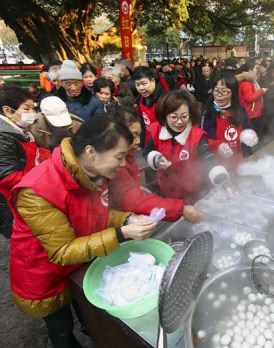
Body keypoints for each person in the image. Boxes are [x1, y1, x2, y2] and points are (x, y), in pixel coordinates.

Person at [9, 116, 158, 348]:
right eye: (119, 157)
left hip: (78, 263)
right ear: (91, 151)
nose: (124, 164)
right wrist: (122, 233)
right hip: (44, 273)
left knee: (88, 316)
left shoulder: (92, 174)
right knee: (62, 331)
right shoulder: (37, 190)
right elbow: (62, 250)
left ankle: (95, 333)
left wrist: (128, 218)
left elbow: (93, 216)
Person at [107, 104, 202, 222]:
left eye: (139, 135)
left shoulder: (128, 154)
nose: (138, 141)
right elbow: (132, 199)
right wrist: (180, 209)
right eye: (133, 136)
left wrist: (136, 187)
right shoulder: (114, 162)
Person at [144, 90, 216, 201]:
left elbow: (206, 155)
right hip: (166, 188)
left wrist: (218, 173)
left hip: (193, 192)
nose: (179, 122)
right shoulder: (157, 130)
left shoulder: (196, 135)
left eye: (184, 116)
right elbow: (147, 151)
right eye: (173, 117)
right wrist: (156, 159)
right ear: (165, 115)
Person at [0, 85, 50, 238]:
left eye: (33, 108)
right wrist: (42, 179)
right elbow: (6, 176)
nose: (32, 114)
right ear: (8, 110)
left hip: (29, 191)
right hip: (15, 198)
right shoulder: (4, 136)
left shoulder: (19, 129)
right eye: (26, 109)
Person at [200, 73, 258, 169]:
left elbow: (247, 128)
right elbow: (201, 141)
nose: (219, 96)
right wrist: (217, 146)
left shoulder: (240, 109)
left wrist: (250, 136)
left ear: (233, 93)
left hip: (238, 161)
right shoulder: (207, 113)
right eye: (216, 91)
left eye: (225, 91)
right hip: (217, 165)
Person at [133, 66, 167, 143]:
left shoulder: (164, 99)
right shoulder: (139, 99)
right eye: (137, 85)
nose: (141, 88)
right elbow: (143, 122)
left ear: (153, 81)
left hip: (163, 141)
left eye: (144, 83)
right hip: (148, 140)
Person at [236, 61, 268, 137]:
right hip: (250, 112)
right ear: (250, 70)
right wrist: (262, 91)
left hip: (251, 111)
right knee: (251, 133)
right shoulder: (246, 83)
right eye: (255, 69)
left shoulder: (248, 81)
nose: (256, 71)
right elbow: (249, 98)